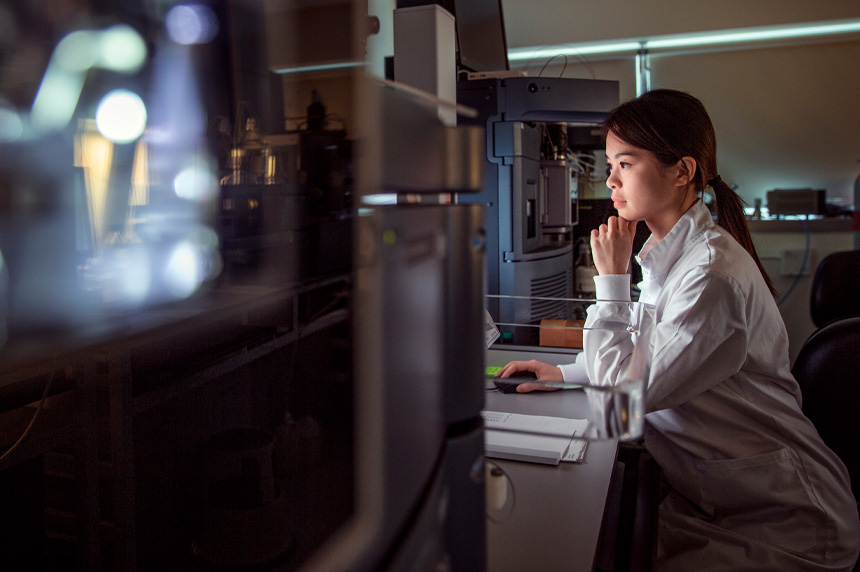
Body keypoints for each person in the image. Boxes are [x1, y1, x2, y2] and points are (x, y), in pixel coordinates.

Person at [496, 89, 860, 571]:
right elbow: (645, 354)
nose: (609, 180)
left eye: (625, 164)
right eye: (610, 165)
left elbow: (621, 407)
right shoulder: (672, 256)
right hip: (716, 499)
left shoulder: (710, 276)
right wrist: (569, 372)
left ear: (682, 170)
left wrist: (611, 282)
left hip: (784, 522)